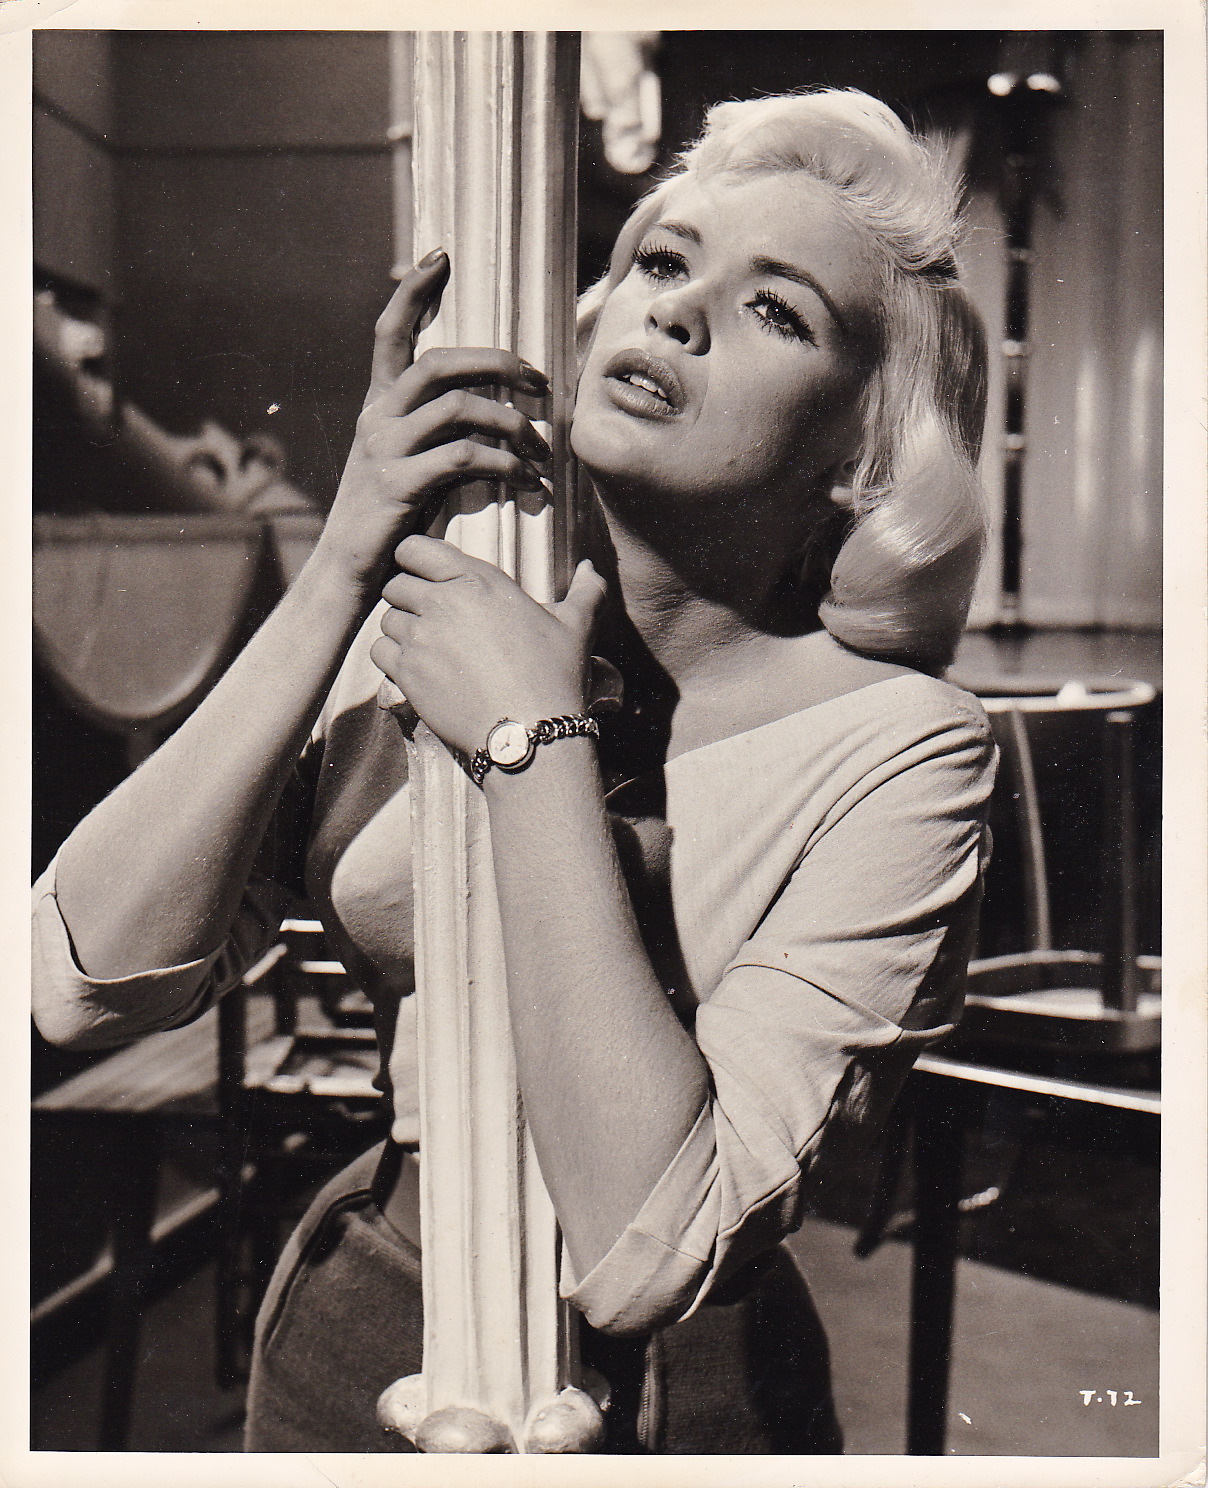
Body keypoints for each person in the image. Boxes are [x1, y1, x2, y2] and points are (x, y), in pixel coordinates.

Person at [33, 89, 996, 1454]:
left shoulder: (906, 747)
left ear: (863, 457)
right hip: (358, 1321)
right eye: (664, 261)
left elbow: (651, 1245)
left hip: (683, 1395)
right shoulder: (450, 619)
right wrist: (349, 558)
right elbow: (81, 979)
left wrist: (533, 741)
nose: (678, 311)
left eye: (778, 310)